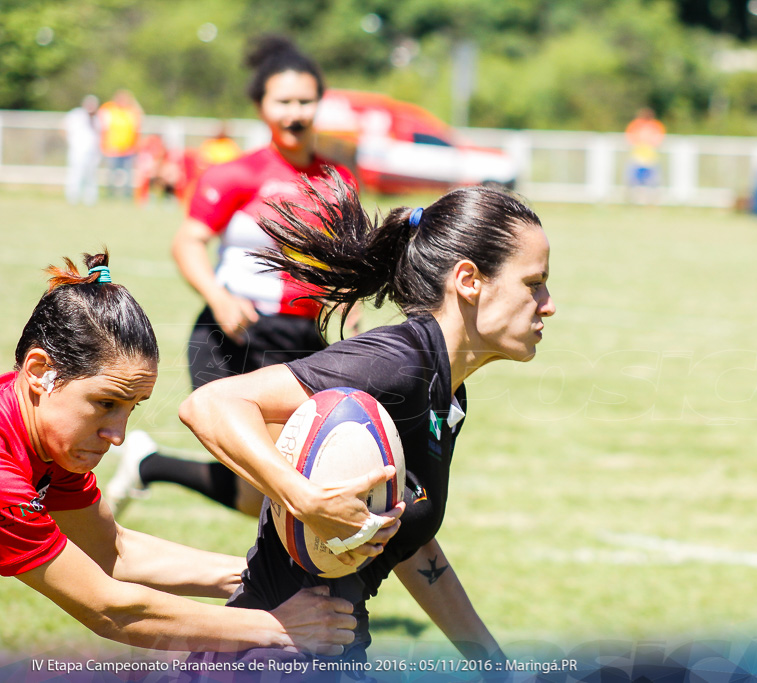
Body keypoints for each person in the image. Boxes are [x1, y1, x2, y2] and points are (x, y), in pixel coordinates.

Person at [177, 172, 556, 667]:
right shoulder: (396, 363)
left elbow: (412, 545)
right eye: (534, 284)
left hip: (332, 657)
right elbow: (209, 405)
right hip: (269, 660)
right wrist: (305, 499)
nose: (549, 305)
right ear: (468, 281)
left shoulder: (446, 388)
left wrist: (492, 662)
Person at [0, 250, 396, 653]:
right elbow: (109, 609)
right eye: (105, 403)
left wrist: (261, 575)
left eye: (131, 407)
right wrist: (277, 627)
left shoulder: (49, 444)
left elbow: (112, 551)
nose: (116, 435)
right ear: (38, 372)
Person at [106, 35, 359, 518]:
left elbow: (344, 264)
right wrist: (218, 296)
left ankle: (147, 464)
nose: (295, 112)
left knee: (264, 493)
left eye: (305, 101)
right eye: (283, 101)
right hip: (230, 337)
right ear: (262, 107)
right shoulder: (234, 175)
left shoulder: (339, 180)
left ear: (319, 104)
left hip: (304, 342)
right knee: (270, 490)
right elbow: (187, 243)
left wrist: (351, 308)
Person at [98, 90, 144, 199]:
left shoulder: (130, 112)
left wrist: (133, 102)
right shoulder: (110, 110)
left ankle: (126, 196)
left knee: (128, 175)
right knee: (111, 174)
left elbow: (140, 115)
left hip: (127, 150)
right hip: (112, 149)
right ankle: (110, 195)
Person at [63, 94, 102, 206]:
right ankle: (72, 198)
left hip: (92, 152)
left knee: (91, 175)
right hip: (78, 151)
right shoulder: (76, 115)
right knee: (76, 173)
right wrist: (71, 142)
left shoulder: (97, 119)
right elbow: (63, 127)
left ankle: (90, 199)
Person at [625, 107, 665, 203]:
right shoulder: (635, 125)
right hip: (637, 157)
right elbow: (630, 139)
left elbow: (658, 140)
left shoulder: (655, 125)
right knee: (633, 181)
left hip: (651, 158)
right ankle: (633, 200)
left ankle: (652, 201)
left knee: (653, 182)